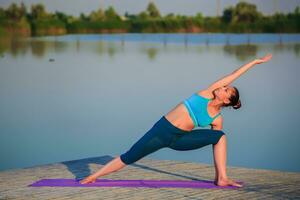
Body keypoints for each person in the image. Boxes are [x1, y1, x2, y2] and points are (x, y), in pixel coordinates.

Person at [80, 54, 273, 187]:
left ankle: (221, 178)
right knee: (130, 156)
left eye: (226, 90)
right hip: (160, 132)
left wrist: (215, 163)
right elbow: (233, 74)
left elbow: (214, 143)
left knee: (220, 136)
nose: (224, 86)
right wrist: (255, 62)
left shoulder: (217, 118)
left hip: (180, 140)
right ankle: (93, 176)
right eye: (225, 86)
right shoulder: (206, 93)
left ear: (226, 100)